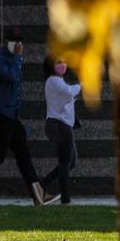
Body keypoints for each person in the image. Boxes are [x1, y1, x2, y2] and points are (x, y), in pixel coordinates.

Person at [0, 27, 46, 206]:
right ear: (6, 41)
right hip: (0, 113)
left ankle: (39, 194)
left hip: (12, 115)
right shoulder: (0, 59)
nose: (17, 44)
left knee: (23, 153)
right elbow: (11, 77)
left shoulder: (14, 60)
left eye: (19, 40)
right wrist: (18, 57)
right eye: (13, 40)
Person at [40, 57, 83, 205]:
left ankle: (42, 184)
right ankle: (65, 199)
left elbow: (65, 99)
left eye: (64, 62)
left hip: (64, 125)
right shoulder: (54, 80)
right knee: (65, 163)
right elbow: (69, 92)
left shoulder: (57, 81)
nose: (63, 65)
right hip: (60, 126)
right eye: (58, 62)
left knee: (71, 162)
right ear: (51, 66)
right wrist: (81, 85)